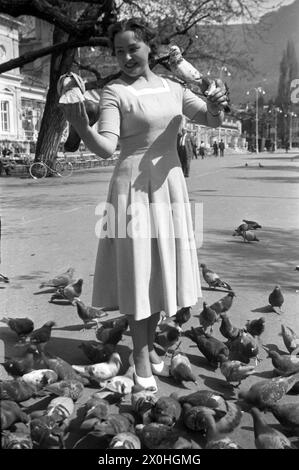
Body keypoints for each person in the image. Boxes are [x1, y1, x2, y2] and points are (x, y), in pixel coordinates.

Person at [60, 18, 227, 392]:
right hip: (130, 189)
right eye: (118, 51)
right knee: (139, 271)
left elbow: (212, 119)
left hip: (169, 187)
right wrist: (81, 127)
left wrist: (216, 104)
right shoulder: (113, 92)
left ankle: (147, 346)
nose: (125, 57)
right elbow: (106, 145)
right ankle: (139, 357)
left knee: (159, 269)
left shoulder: (173, 88)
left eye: (132, 48)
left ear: (150, 47)